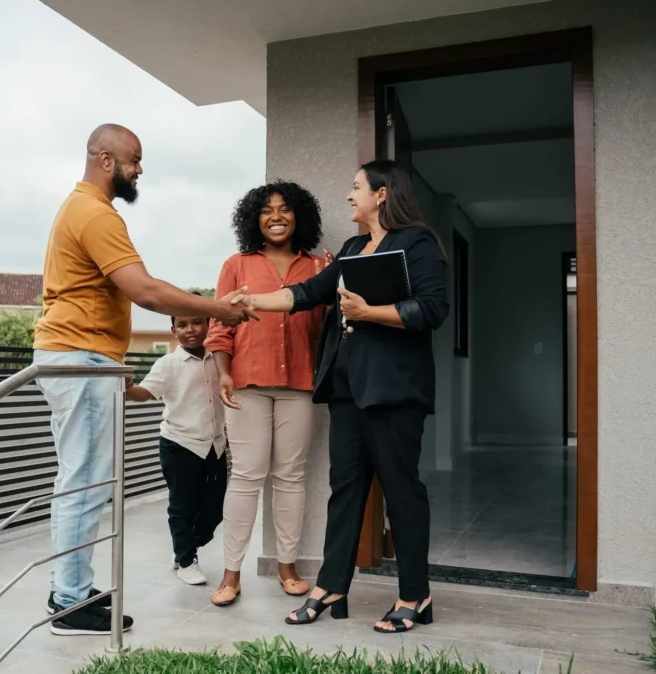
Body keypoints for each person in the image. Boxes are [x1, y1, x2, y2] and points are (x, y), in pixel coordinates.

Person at [33, 123, 255, 636]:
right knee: (84, 481)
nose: (139, 170)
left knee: (84, 479)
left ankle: (72, 587)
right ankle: (69, 603)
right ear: (105, 159)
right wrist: (220, 309)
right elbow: (147, 291)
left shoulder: (84, 209)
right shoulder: (92, 211)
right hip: (78, 357)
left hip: (84, 358)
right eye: (134, 160)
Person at [235, 161, 449, 633]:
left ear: (383, 194)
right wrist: (246, 301)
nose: (349, 196)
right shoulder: (353, 249)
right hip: (348, 391)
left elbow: (433, 309)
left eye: (356, 188)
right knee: (345, 490)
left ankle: (416, 593)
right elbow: (305, 293)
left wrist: (369, 311)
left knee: (401, 492)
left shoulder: (417, 243)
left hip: (395, 392)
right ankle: (332, 585)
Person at [204, 181, 329, 607]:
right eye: (266, 211)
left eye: (285, 209)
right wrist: (222, 373)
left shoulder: (316, 267)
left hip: (299, 384)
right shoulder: (236, 265)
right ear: (254, 219)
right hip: (247, 384)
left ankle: (287, 566)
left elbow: (329, 327)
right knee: (246, 476)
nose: (276, 217)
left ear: (299, 217)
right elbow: (220, 326)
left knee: (290, 477)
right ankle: (231, 573)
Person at [126, 313, 227, 587]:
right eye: (182, 325)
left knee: (215, 509)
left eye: (196, 322)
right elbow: (144, 392)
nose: (190, 330)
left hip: (215, 445)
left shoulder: (220, 359)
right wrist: (129, 389)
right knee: (182, 506)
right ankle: (185, 560)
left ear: (209, 324)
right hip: (179, 444)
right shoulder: (168, 363)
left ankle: (184, 546)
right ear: (174, 331)